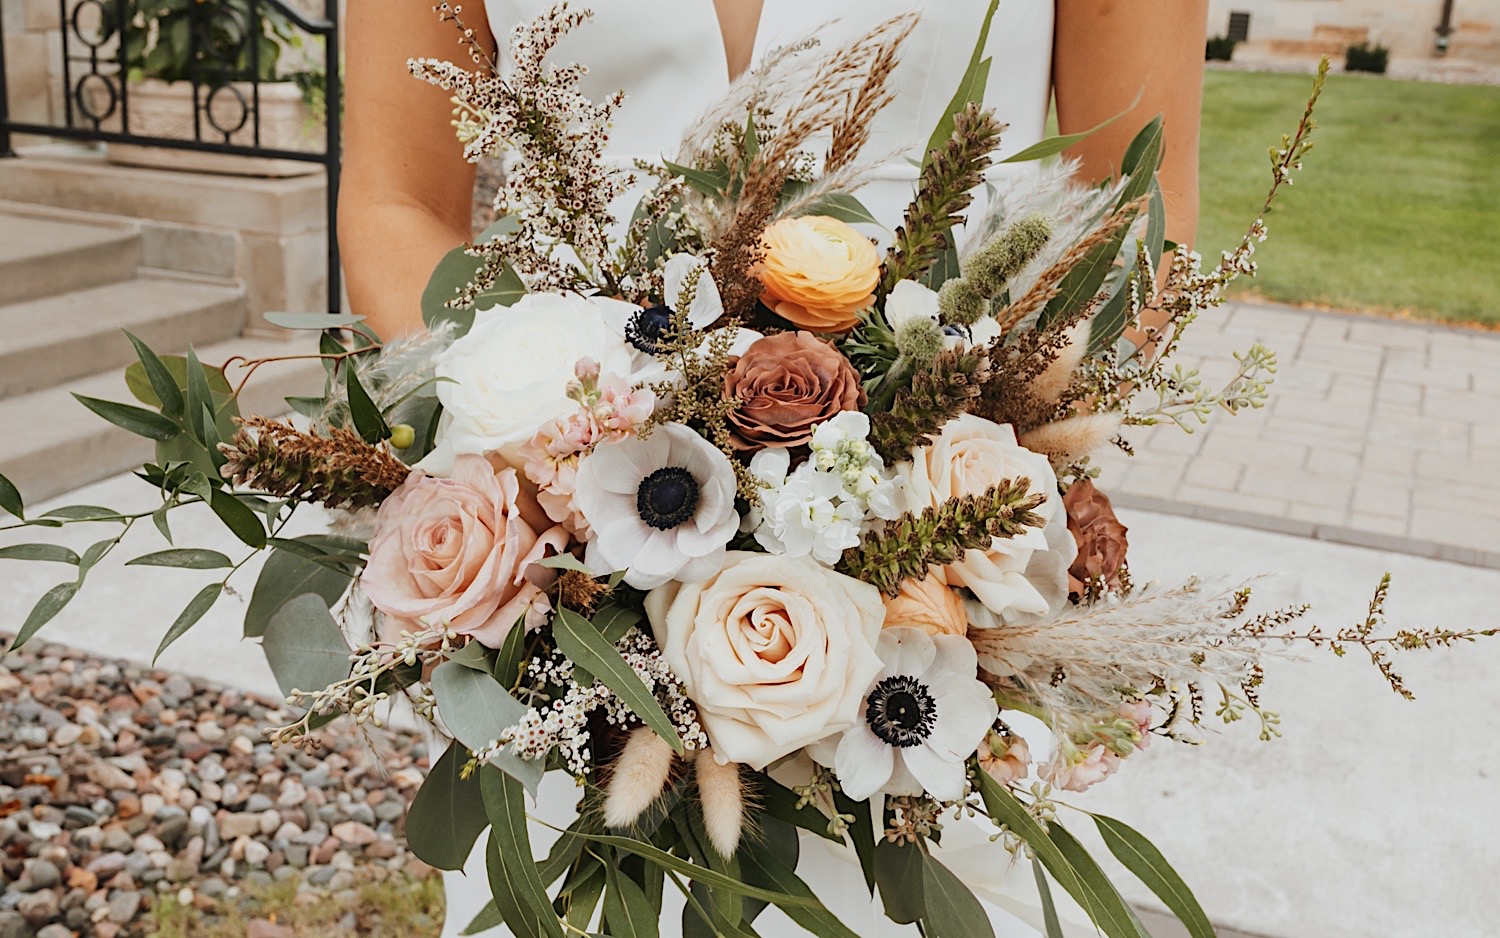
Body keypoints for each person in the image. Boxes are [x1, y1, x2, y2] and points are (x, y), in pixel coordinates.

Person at [339, 2, 1207, 934]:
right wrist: (545, 438)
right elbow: (399, 200)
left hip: (922, 614)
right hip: (574, 598)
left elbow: (1136, 213)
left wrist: (937, 463)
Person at [340, 0, 1208, 341]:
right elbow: (398, 200)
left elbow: (1135, 203)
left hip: (930, 570)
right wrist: (508, 452)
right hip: (560, 547)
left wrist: (977, 459)